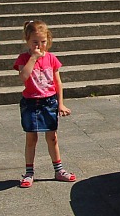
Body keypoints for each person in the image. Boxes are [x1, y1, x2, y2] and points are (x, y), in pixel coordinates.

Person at [12, 20, 76, 187]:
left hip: (48, 101)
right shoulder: (24, 58)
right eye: (35, 42)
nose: (39, 46)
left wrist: (60, 103)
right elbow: (23, 77)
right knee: (31, 138)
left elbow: (57, 82)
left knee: (52, 137)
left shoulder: (52, 58)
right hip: (31, 102)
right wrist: (33, 58)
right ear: (27, 41)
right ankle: (29, 172)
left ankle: (58, 169)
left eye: (43, 42)